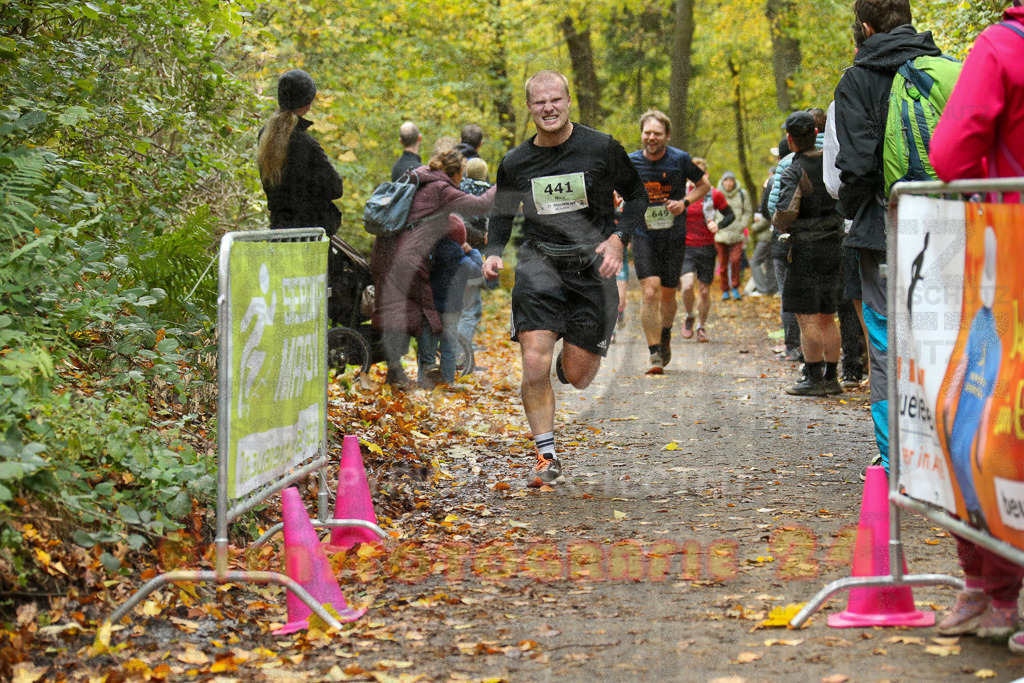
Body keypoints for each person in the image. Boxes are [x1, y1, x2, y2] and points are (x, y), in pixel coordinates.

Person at [482, 69, 647, 488]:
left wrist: (618, 239)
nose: (548, 108)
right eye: (539, 102)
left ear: (569, 101)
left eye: (555, 99)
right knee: (533, 362)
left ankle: (569, 353)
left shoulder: (602, 148)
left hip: (593, 270)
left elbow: (637, 196)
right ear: (529, 108)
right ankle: (546, 455)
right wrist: (493, 252)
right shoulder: (516, 162)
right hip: (539, 265)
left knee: (578, 375)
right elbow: (501, 214)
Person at [928, 1, 1024, 653]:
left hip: (1008, 263)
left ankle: (994, 587)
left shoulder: (1003, 45)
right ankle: (992, 589)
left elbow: (950, 154)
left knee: (973, 421)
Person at [833, 0, 949, 473]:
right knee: (942, 338)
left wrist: (850, 208)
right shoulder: (943, 68)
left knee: (885, 345)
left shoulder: (858, 79)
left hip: (883, 229)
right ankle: (952, 458)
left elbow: (857, 166)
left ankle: (898, 460)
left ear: (865, 27)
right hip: (948, 225)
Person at [372, 141, 496, 387]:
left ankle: (396, 372)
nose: (462, 181)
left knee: (400, 312)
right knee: (427, 312)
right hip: (407, 257)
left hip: (386, 251)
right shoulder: (440, 188)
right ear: (456, 172)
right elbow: (481, 204)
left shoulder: (421, 177)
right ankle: (429, 373)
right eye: (461, 175)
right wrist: (505, 180)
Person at [627, 110, 710, 373]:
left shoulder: (680, 159)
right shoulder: (630, 162)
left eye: (657, 133)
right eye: (647, 133)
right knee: (650, 290)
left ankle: (665, 333)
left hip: (673, 236)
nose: (651, 137)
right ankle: (654, 353)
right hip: (643, 235)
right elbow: (617, 188)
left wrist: (684, 202)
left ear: (667, 136)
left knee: (667, 294)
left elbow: (704, 185)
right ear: (641, 134)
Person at [772, 111, 845, 396]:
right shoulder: (832, 163)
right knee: (828, 315)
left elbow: (785, 212)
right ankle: (832, 378)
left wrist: (779, 222)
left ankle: (814, 378)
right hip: (835, 244)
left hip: (806, 249)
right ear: (815, 134)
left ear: (790, 139)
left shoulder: (795, 170)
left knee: (807, 317)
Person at [257, 69, 344, 236]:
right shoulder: (306, 144)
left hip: (279, 231)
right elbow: (336, 188)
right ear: (307, 104)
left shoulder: (265, 136)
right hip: (309, 236)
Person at [679, 158, 734, 344]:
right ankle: (689, 316)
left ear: (706, 175)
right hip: (686, 247)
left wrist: (718, 225)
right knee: (687, 286)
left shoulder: (715, 194)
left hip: (706, 248)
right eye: (692, 175)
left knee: (704, 291)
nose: (695, 178)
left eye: (699, 175)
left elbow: (730, 215)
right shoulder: (681, 193)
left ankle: (701, 327)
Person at [457, 157, 496, 347]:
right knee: (471, 309)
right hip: (474, 256)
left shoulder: (457, 190)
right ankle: (460, 354)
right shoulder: (489, 193)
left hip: (455, 251)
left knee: (462, 307)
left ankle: (458, 351)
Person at [715, 171, 752, 301]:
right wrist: (715, 225)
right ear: (723, 181)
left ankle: (735, 287)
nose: (729, 183)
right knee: (723, 264)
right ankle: (725, 290)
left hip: (737, 233)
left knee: (736, 261)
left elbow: (747, 211)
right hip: (721, 234)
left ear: (734, 182)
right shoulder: (716, 194)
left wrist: (742, 224)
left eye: (731, 180)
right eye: (726, 180)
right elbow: (710, 210)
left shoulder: (742, 194)